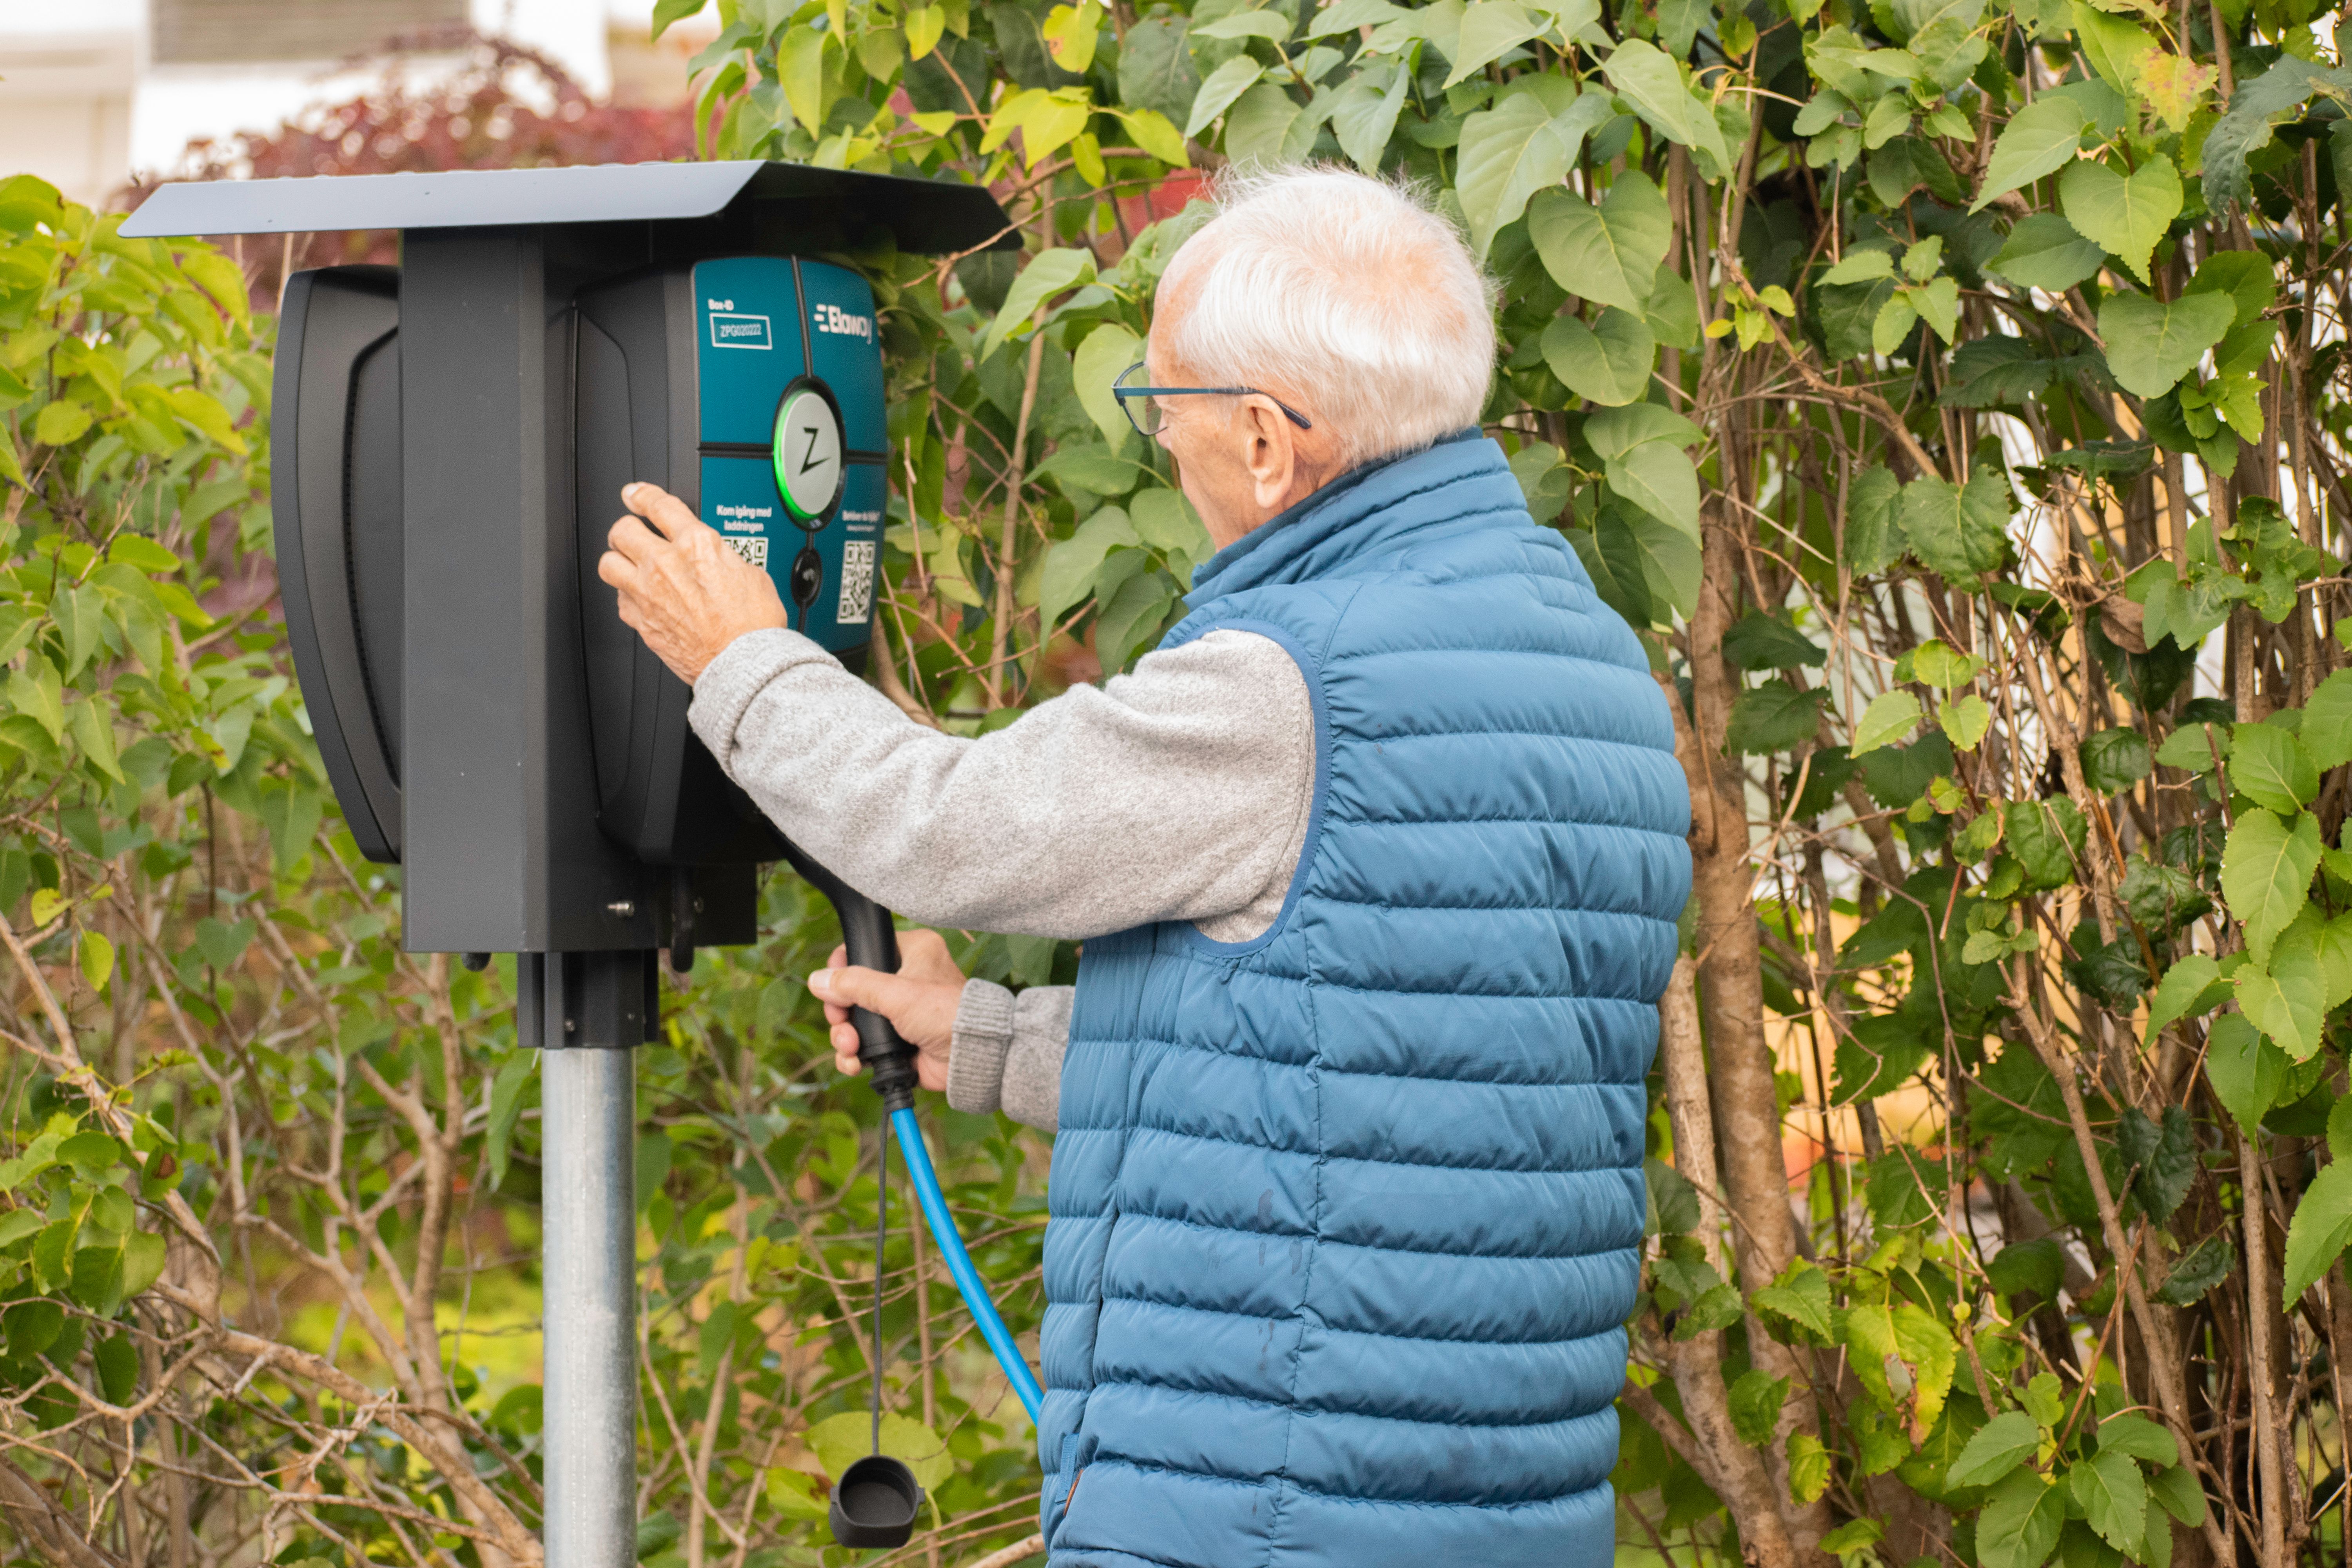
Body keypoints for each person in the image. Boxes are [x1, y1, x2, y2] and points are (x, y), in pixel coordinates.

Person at [598, 163, 1691, 1568]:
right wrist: (987, 1039)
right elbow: (1370, 1059)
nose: (1158, 450)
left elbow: (951, 828)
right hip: (1497, 1505)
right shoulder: (1586, 656)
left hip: (1266, 1505)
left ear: (1262, 442)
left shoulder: (1288, 685)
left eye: (1162, 408)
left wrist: (739, 658)